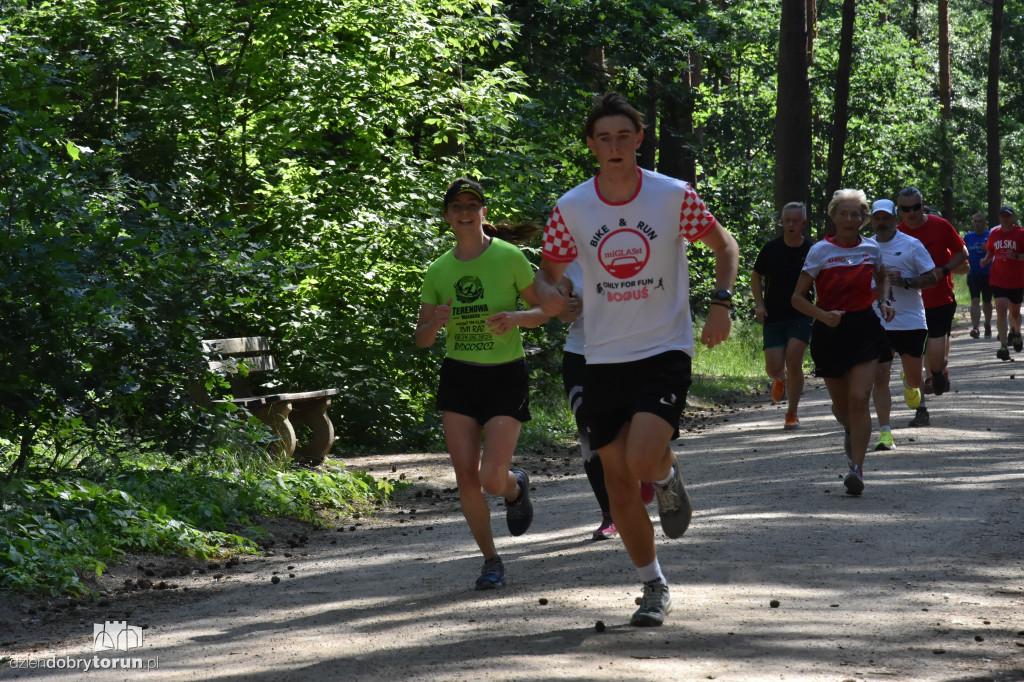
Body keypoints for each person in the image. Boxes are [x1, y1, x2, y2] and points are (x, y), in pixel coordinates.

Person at [533, 92, 739, 627]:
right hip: (600, 355)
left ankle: (668, 478)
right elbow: (546, 273)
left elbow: (725, 246)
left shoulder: (672, 195)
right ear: (591, 145)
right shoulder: (573, 207)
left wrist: (720, 304)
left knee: (644, 459)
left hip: (663, 347)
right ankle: (653, 585)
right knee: (618, 479)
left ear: (639, 139)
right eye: (604, 137)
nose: (615, 145)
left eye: (624, 135)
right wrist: (550, 297)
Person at [415, 178, 552, 591]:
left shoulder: (510, 257)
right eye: (456, 205)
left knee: (492, 478)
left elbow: (542, 310)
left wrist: (515, 319)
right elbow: (421, 339)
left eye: (472, 204)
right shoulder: (438, 270)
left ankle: (515, 486)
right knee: (466, 476)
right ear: (446, 217)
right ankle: (491, 560)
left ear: (483, 213)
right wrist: (435, 323)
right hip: (459, 375)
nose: (464, 211)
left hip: (504, 374)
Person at [791, 189, 893, 495]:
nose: (850, 219)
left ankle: (857, 469)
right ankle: (850, 429)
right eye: (844, 214)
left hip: (864, 327)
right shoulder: (820, 251)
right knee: (842, 406)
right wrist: (822, 315)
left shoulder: (872, 249)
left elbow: (883, 277)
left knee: (859, 398)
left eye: (856, 215)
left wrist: (885, 301)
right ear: (834, 216)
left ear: (863, 220)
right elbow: (797, 298)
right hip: (830, 329)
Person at [557, 260, 655, 541]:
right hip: (580, 354)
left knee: (627, 428)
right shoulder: (569, 257)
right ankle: (609, 514)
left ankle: (644, 468)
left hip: (628, 354)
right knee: (590, 435)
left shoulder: (630, 247)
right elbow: (558, 309)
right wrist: (563, 309)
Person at [867, 199, 937, 449]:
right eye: (877, 218)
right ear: (872, 220)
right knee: (880, 377)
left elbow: (933, 278)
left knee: (916, 381)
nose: (882, 222)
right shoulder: (866, 247)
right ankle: (885, 434)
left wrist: (906, 282)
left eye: (886, 217)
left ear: (895, 218)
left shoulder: (911, 245)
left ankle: (909, 381)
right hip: (878, 322)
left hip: (910, 320)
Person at [894, 187, 968, 402]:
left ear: (922, 205)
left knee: (936, 360)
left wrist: (944, 270)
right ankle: (919, 402)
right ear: (899, 210)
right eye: (906, 209)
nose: (912, 212)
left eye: (916, 207)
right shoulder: (896, 233)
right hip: (909, 304)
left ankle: (937, 374)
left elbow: (962, 253)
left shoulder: (940, 225)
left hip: (940, 299)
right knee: (915, 354)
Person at [751, 202, 813, 429]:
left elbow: (822, 279)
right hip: (774, 315)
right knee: (773, 367)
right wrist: (760, 305)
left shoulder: (811, 249)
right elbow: (756, 277)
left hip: (802, 314)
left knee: (794, 360)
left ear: (803, 223)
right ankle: (780, 377)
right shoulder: (771, 248)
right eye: (787, 220)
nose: (790, 225)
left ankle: (792, 413)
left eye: (795, 221)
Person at [979, 206, 1024, 361]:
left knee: (1015, 313)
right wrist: (986, 260)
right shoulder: (995, 234)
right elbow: (991, 250)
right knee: (1001, 310)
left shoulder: (1020, 233)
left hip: (1017, 280)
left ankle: (1017, 333)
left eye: (1008, 216)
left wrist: (1016, 257)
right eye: (1003, 216)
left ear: (1013, 217)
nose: (1005, 218)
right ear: (999, 218)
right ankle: (1003, 346)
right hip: (998, 278)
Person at [964, 212, 994, 339]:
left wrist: (988, 249)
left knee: (987, 301)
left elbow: (997, 253)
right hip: (973, 274)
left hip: (988, 274)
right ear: (972, 223)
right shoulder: (968, 237)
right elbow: (962, 253)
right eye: (975, 221)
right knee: (975, 300)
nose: (977, 224)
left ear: (984, 223)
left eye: (980, 221)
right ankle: (975, 328)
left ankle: (987, 324)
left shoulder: (990, 236)